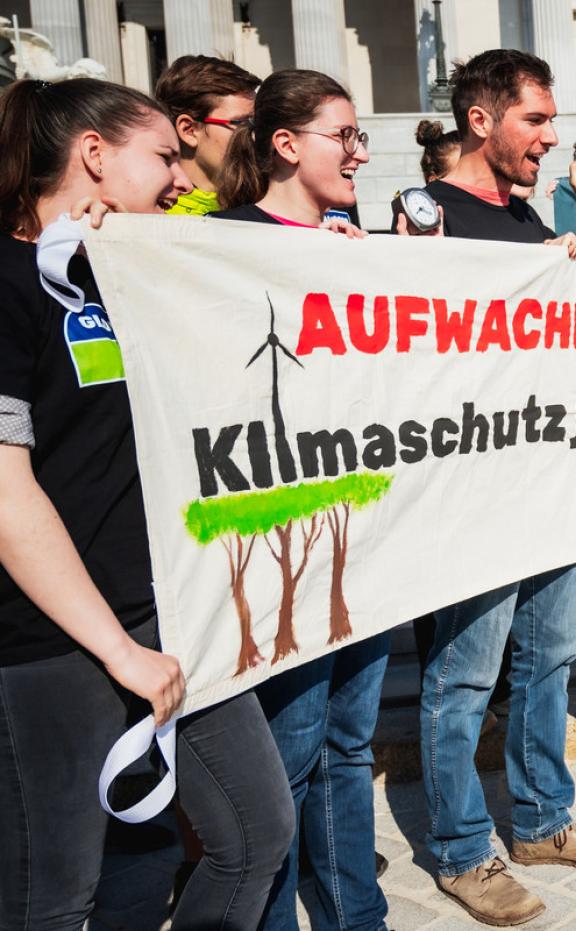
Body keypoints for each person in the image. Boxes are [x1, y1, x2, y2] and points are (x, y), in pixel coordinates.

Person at [0, 76, 294, 929]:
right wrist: (120, 652)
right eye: (163, 156)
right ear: (93, 154)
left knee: (253, 833)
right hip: (51, 646)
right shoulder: (11, 285)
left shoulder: (128, 274)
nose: (181, 177)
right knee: (49, 899)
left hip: (173, 619)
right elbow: (9, 494)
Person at [416, 49, 576, 929]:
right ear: (481, 120)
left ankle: (543, 820)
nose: (551, 138)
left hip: (555, 480)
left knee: (548, 658)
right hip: (475, 490)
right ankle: (464, 848)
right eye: (535, 121)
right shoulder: (426, 213)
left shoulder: (530, 215)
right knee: (465, 676)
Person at [211, 69, 390, 931]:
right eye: (342, 135)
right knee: (287, 753)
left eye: (360, 138)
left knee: (349, 746)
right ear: (286, 144)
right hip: (280, 544)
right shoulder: (221, 242)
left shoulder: (359, 242)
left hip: (368, 533)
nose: (358, 152)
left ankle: (359, 913)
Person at [153, 54, 260, 216]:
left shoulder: (269, 198)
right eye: (240, 123)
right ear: (189, 130)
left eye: (256, 122)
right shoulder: (155, 213)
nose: (254, 135)